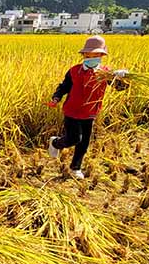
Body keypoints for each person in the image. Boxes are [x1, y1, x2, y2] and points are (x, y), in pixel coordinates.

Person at [47, 35, 128, 179]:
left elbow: (120, 87)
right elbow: (64, 87)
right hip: (72, 111)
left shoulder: (106, 73)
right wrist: (56, 98)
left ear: (102, 55)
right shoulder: (74, 71)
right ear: (84, 54)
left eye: (97, 54)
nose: (93, 57)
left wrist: (121, 78)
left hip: (90, 112)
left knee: (84, 142)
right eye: (90, 54)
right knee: (74, 139)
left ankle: (75, 168)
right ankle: (55, 142)